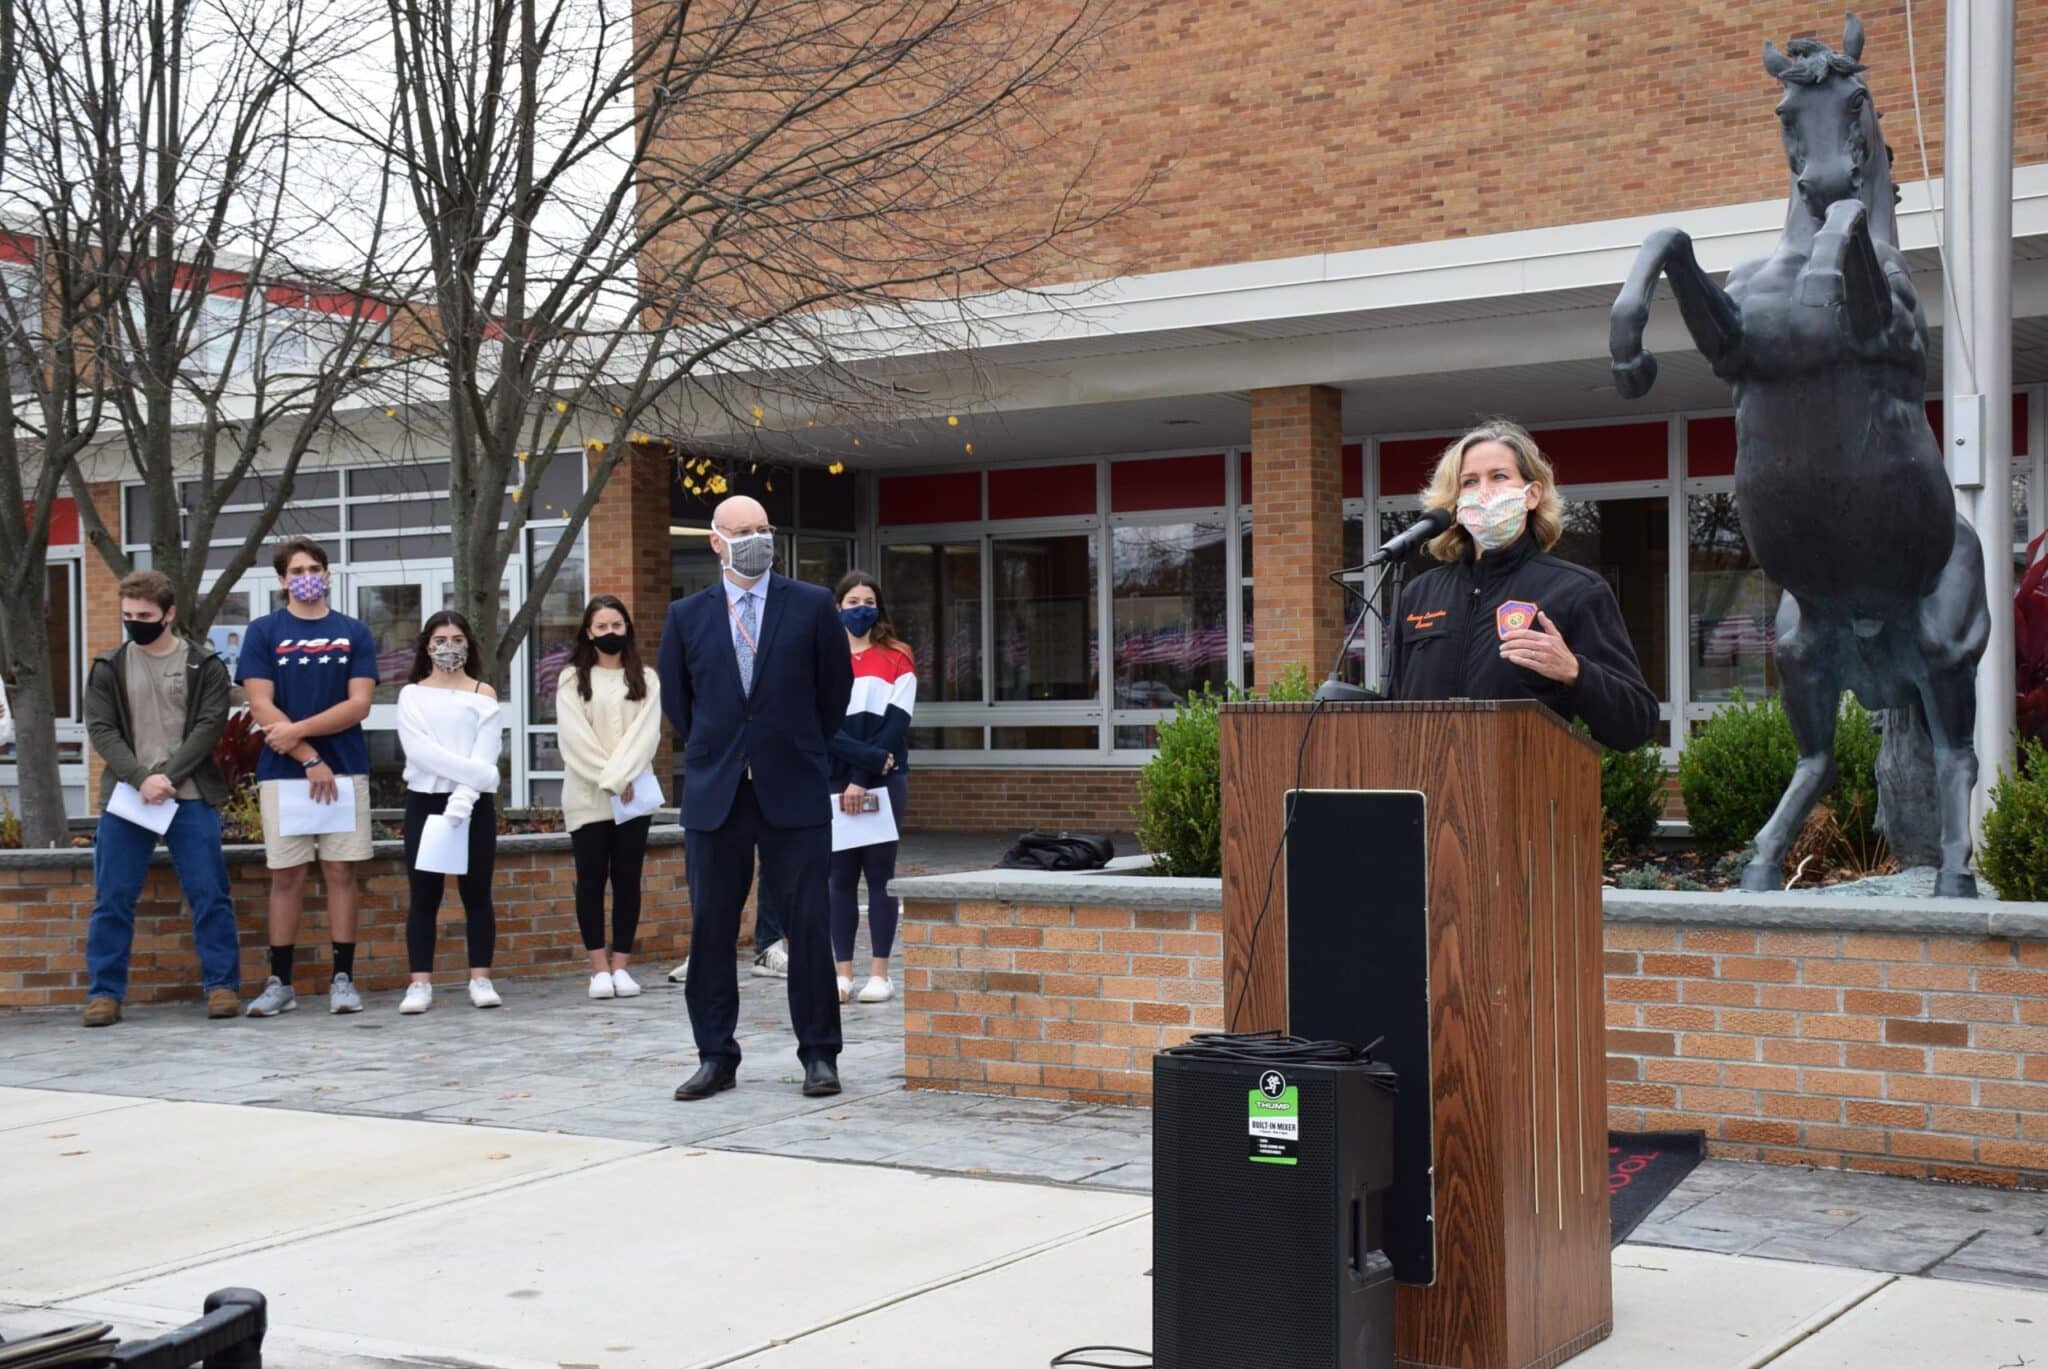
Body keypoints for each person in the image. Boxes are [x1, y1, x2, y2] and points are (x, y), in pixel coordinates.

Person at [659, 495, 853, 1101]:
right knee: (711, 929)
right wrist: (724, 749)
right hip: (718, 791)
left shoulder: (813, 605)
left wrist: (797, 749)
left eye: (764, 529)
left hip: (791, 785)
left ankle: (819, 1055)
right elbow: (679, 704)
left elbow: (833, 693)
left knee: (807, 923)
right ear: (716, 541)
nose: (756, 539)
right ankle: (716, 1055)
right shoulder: (686, 615)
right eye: (743, 531)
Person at [1388, 419, 1659, 751]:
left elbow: (1636, 724)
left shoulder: (1575, 590)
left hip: (1523, 792)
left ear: (1531, 495)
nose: (1484, 491)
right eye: (1470, 482)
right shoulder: (1419, 594)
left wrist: (1575, 672)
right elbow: (1394, 710)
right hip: (1427, 793)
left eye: (1499, 477)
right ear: (1455, 504)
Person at [79, 571, 240, 1026]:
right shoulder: (108, 666)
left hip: (188, 797)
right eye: (128, 615)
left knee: (210, 894)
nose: (135, 622)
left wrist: (166, 777)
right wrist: (139, 778)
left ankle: (222, 986)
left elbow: (209, 725)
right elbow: (102, 729)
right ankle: (104, 994)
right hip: (128, 799)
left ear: (169, 614)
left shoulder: (203, 665)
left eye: (145, 615)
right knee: (112, 897)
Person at [239, 538, 378, 1017]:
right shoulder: (264, 632)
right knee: (287, 876)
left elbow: (359, 704)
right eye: (297, 569)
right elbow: (260, 704)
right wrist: (307, 756)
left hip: (345, 771)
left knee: (341, 872)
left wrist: (298, 732)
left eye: (315, 568)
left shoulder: (353, 632)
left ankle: (343, 979)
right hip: (285, 775)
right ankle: (281, 982)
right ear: (282, 580)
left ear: (328, 574)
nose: (307, 576)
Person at [393, 611, 504, 1014]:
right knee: (425, 895)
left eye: (458, 639)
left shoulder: (483, 693)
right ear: (426, 645)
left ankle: (480, 978)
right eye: (440, 639)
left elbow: (487, 749)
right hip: (426, 801)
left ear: (469, 645)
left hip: (474, 805)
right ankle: (420, 983)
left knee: (477, 893)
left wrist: (466, 796)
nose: (449, 647)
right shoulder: (411, 695)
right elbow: (422, 752)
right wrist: (477, 777)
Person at [556, 595, 662, 1000]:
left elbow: (645, 736)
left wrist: (624, 778)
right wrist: (614, 779)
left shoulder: (646, 679)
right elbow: (574, 739)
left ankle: (621, 966)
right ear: (588, 632)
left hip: (633, 795)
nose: (610, 633)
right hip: (588, 795)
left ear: (627, 629)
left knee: (627, 879)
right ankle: (597, 968)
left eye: (616, 625)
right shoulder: (571, 679)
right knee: (591, 879)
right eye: (602, 627)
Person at [827, 571, 916, 1005]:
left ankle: (880, 972)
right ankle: (842, 973)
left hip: (884, 777)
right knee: (839, 878)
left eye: (868, 600)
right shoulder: (821, 658)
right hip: (831, 780)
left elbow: (897, 723)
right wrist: (850, 774)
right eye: (851, 600)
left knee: (880, 876)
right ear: (838, 606)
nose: (860, 607)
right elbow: (819, 724)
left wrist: (861, 778)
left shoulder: (898, 656)